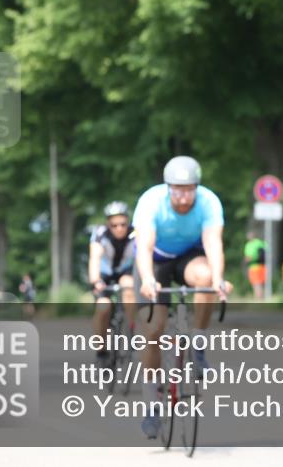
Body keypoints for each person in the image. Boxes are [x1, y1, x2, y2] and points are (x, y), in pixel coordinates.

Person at [134, 155, 229, 439]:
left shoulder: (209, 202)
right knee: (154, 330)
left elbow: (213, 243)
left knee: (206, 278)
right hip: (155, 261)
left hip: (189, 256)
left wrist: (218, 279)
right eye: (178, 191)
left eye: (190, 190)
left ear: (197, 188)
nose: (184, 198)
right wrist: (147, 279)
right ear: (168, 188)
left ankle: (197, 342)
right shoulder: (151, 202)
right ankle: (152, 404)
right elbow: (144, 247)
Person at [88, 201, 137, 366]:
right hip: (105, 275)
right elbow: (94, 258)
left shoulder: (135, 233)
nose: (119, 228)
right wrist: (96, 280)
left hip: (125, 272)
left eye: (123, 224)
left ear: (128, 222)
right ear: (108, 224)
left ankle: (132, 330)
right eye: (114, 225)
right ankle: (101, 349)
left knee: (128, 286)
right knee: (103, 307)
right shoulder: (100, 234)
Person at [243, 230, 267, 299]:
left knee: (256, 283)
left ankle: (258, 298)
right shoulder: (260, 242)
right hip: (262, 265)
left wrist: (246, 261)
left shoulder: (249, 245)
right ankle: (261, 297)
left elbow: (249, 257)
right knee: (260, 283)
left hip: (254, 266)